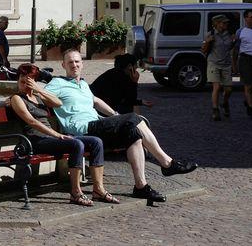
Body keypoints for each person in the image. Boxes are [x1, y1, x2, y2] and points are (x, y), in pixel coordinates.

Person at [47, 50, 197, 202]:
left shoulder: (83, 84)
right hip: (81, 130)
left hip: (97, 126)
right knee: (133, 118)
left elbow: (96, 101)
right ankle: (166, 163)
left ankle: (141, 186)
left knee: (133, 134)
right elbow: (38, 94)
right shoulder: (57, 83)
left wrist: (116, 116)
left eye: (77, 61)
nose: (74, 65)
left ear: (82, 64)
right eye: (70, 62)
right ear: (63, 65)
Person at [8, 63, 114, 206]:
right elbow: (31, 121)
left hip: (49, 138)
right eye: (22, 81)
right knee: (76, 144)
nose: (24, 85)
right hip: (34, 141)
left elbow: (58, 103)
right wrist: (57, 135)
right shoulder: (17, 98)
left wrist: (39, 90)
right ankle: (75, 193)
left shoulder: (38, 97)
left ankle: (98, 189)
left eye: (28, 82)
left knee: (96, 142)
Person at [202, 15, 236, 121]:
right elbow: (204, 50)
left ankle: (225, 103)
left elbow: (232, 49)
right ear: (217, 23)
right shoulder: (210, 34)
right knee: (216, 87)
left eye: (226, 23)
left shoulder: (229, 34)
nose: (226, 24)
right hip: (214, 63)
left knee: (229, 89)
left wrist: (234, 41)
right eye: (223, 23)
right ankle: (215, 109)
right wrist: (207, 42)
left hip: (226, 64)